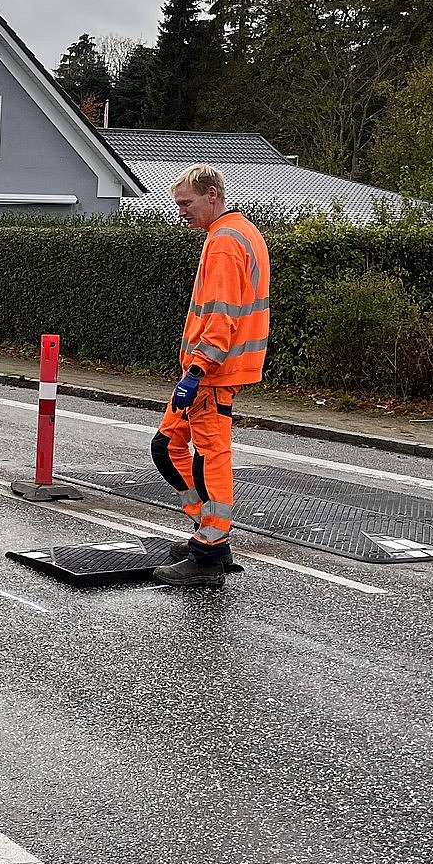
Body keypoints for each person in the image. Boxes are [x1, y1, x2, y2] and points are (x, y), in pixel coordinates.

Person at [151, 164, 270, 588]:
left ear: (212, 195)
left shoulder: (222, 242)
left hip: (212, 372)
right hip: (215, 370)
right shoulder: (243, 232)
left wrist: (198, 369)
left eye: (187, 202)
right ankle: (207, 534)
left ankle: (209, 550)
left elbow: (221, 315)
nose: (180, 211)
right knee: (168, 446)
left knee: (209, 457)